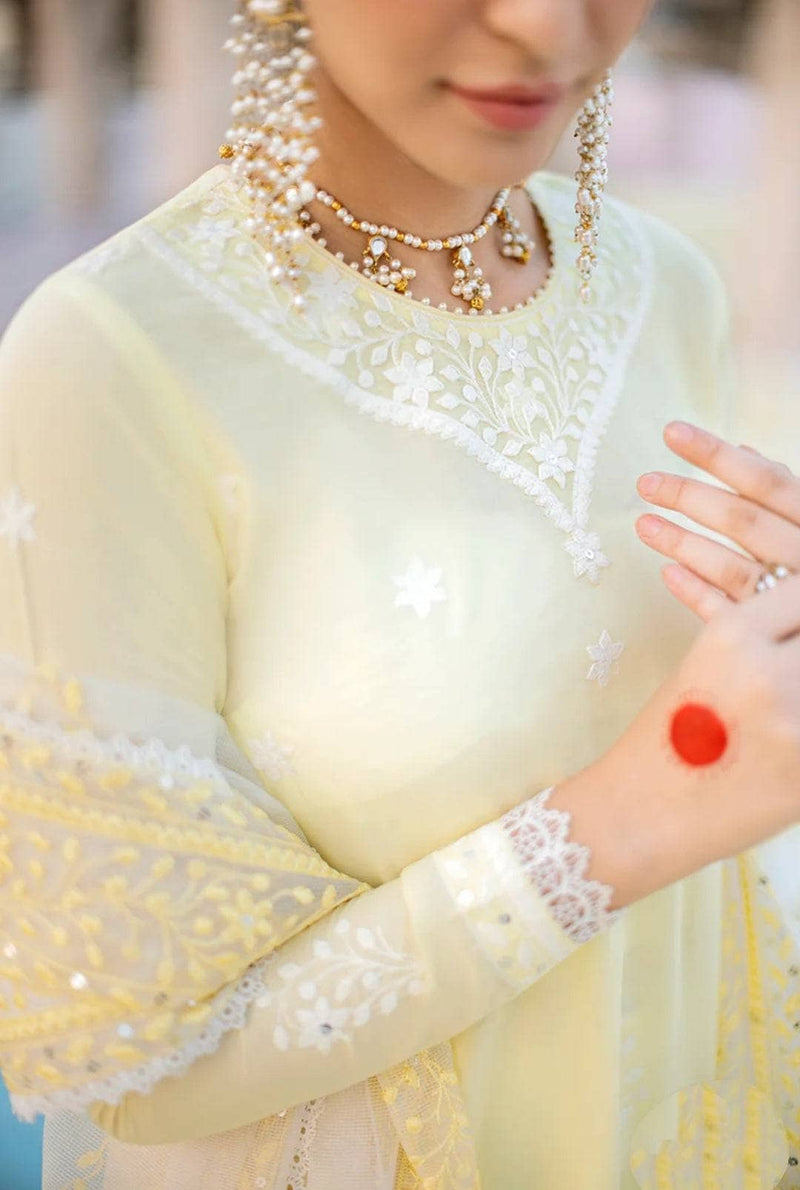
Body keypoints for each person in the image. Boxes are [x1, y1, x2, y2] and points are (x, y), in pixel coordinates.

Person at [0, 1, 799, 1187]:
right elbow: (144, 1057)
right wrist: (622, 821)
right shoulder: (115, 356)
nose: (544, 24)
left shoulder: (661, 284)